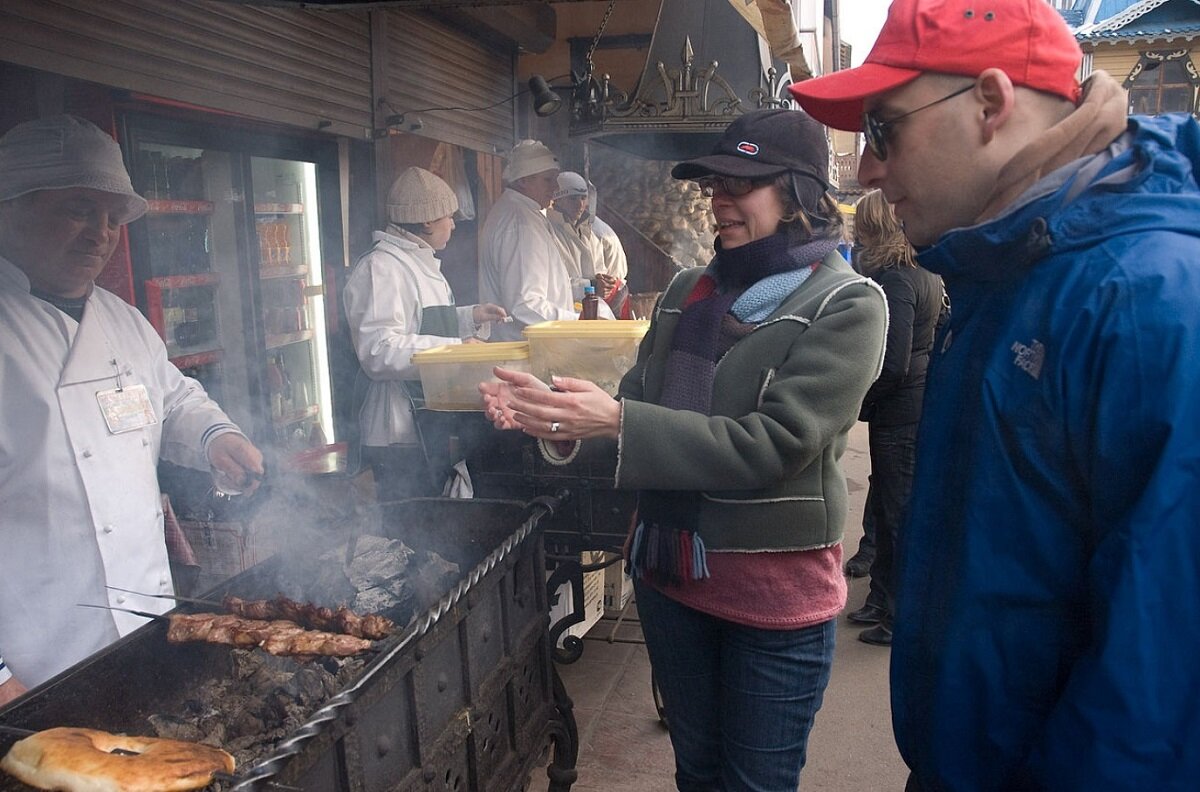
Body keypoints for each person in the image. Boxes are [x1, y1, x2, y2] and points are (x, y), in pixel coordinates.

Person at [790, 0, 1200, 788]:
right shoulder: (1002, 273)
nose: (865, 170)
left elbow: (1159, 694)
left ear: (990, 102)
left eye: (882, 130)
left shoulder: (1152, 302)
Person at [482, 109, 887, 790]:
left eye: (742, 184)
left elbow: (771, 445)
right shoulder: (683, 293)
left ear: (797, 193)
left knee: (753, 783)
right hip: (673, 584)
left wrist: (615, 419)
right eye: (714, 184)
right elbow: (636, 411)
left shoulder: (847, 305)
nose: (719, 199)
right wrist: (550, 418)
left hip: (774, 603)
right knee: (697, 773)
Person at [0, 115, 264, 704]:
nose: (100, 233)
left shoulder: (121, 320)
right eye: (77, 209)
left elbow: (170, 398)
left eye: (112, 217)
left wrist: (214, 437)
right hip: (35, 660)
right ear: (8, 207)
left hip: (146, 625)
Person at [343, 166, 506, 499]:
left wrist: (469, 317)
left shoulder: (417, 262)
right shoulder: (382, 268)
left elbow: (419, 324)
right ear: (427, 221)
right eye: (448, 216)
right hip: (397, 432)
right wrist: (455, 349)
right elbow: (379, 350)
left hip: (425, 423)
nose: (454, 224)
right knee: (411, 533)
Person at [845, 189, 943, 647]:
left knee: (897, 512)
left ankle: (899, 612)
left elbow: (895, 359)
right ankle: (882, 599)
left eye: (861, 225)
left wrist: (863, 399)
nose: (855, 234)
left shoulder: (900, 278)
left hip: (901, 408)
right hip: (907, 404)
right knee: (887, 507)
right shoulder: (920, 272)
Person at [478, 140, 576, 340]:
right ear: (523, 181)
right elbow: (525, 304)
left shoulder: (519, 212)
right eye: (548, 180)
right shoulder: (521, 223)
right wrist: (580, 321)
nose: (556, 187)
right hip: (525, 350)